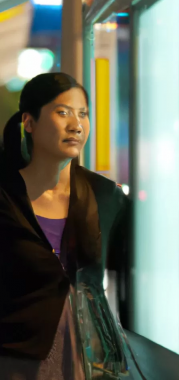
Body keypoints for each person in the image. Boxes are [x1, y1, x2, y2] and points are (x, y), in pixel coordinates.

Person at [0, 73, 142, 380]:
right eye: (62, 112)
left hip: (92, 362)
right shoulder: (5, 197)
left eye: (83, 114)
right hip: (17, 362)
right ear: (29, 122)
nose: (76, 125)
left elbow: (131, 272)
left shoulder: (106, 196)